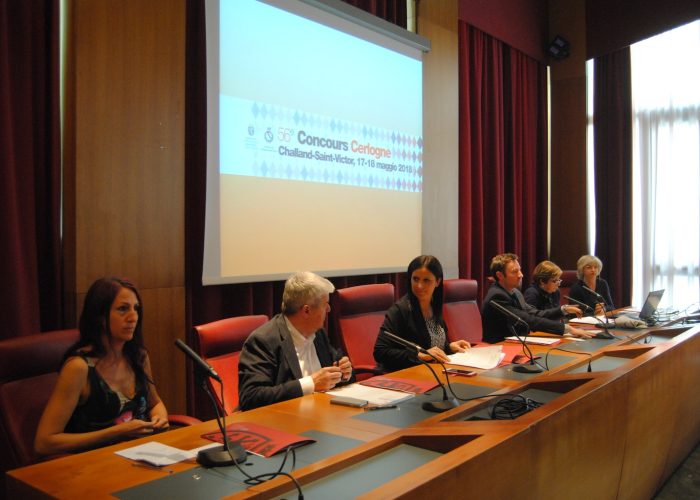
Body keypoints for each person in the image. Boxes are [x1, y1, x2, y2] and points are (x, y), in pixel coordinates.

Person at [34, 277, 169, 456]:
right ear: (99, 317)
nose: (133, 317)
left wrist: (160, 418)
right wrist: (118, 432)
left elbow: (155, 403)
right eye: (123, 309)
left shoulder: (139, 357)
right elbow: (44, 442)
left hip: (142, 457)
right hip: (93, 465)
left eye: (136, 309)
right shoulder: (78, 368)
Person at [238, 272, 353, 411]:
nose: (329, 309)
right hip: (281, 422)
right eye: (325, 304)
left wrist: (343, 373)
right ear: (306, 310)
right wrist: (311, 383)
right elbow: (251, 396)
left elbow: (332, 373)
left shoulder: (318, 333)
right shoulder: (264, 340)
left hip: (319, 414)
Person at [373, 255, 471, 372]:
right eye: (415, 279)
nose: (419, 286)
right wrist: (418, 355)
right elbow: (380, 351)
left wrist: (449, 347)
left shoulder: (434, 305)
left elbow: (432, 347)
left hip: (433, 372)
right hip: (405, 376)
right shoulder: (400, 310)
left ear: (437, 282)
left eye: (426, 280)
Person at [481, 253, 592, 344]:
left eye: (520, 270)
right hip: (499, 347)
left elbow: (534, 314)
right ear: (500, 275)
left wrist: (562, 310)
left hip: (516, 343)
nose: (521, 275)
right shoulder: (497, 296)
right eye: (515, 272)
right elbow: (528, 320)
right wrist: (567, 329)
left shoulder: (515, 292)